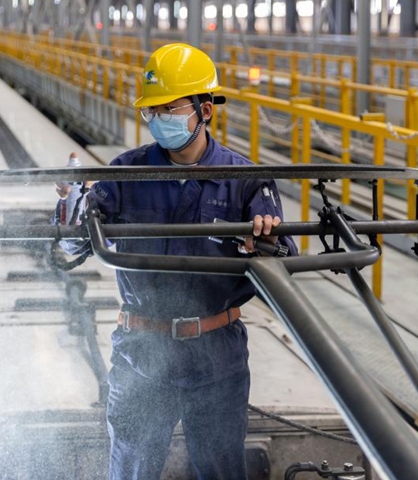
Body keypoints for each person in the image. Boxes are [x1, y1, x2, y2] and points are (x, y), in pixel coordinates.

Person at [55, 43, 297, 480]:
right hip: (142, 353)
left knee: (222, 471)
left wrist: (259, 244)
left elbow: (282, 262)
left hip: (216, 355)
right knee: (130, 470)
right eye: (153, 111)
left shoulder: (245, 179)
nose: (159, 119)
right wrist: (71, 212)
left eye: (170, 108)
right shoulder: (124, 175)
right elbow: (73, 249)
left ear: (205, 110)